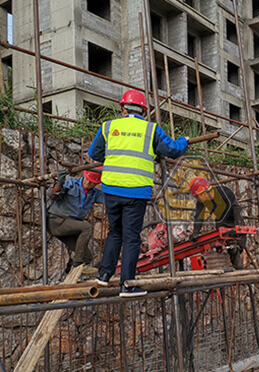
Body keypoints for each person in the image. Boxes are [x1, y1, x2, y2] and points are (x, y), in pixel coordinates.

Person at [88, 89, 189, 297]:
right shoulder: (151, 130)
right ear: (144, 110)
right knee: (132, 237)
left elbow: (94, 153)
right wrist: (184, 141)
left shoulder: (109, 126)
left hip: (111, 189)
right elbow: (172, 150)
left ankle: (104, 275)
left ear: (122, 108)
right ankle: (127, 284)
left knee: (115, 232)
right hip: (136, 192)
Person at [47, 167, 104, 275]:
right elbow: (52, 195)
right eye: (87, 179)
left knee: (86, 257)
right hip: (56, 221)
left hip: (70, 227)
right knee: (87, 228)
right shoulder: (71, 183)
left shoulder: (94, 193)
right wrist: (59, 184)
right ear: (84, 175)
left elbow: (110, 200)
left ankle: (71, 273)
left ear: (97, 183)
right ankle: (76, 265)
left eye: (92, 182)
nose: (88, 183)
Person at [189, 177, 246, 269]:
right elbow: (199, 217)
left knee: (239, 246)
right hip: (221, 223)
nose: (197, 198)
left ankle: (240, 272)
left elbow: (236, 208)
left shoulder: (224, 192)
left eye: (197, 196)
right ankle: (239, 271)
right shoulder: (201, 202)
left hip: (235, 219)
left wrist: (238, 226)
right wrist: (195, 232)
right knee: (232, 249)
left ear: (204, 192)